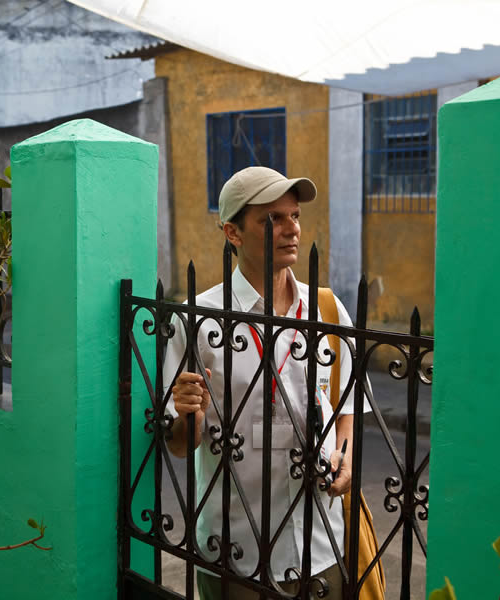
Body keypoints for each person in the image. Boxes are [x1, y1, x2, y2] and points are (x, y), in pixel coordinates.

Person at [164, 166, 369, 600]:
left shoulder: (326, 311)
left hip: (322, 545)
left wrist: (345, 458)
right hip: (235, 551)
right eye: (271, 219)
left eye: (294, 216)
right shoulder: (197, 320)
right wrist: (189, 413)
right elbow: (181, 445)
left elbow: (349, 406)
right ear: (232, 233)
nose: (291, 229)